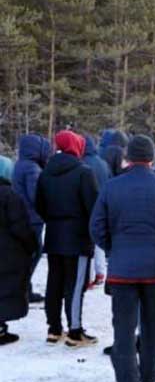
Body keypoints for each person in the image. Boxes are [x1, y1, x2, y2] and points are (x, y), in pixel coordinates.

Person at [90, 135, 155, 382]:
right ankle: (149, 374)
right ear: (151, 158)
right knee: (154, 323)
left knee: (123, 330)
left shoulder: (112, 187)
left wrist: (114, 249)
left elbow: (96, 227)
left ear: (128, 157)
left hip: (122, 271)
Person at [35, 130, 99, 347]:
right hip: (78, 237)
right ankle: (75, 331)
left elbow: (39, 205)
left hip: (53, 234)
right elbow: (93, 207)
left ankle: (54, 328)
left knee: (54, 282)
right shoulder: (83, 172)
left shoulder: (45, 172)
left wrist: (54, 221)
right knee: (76, 284)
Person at [0, 155, 39, 345]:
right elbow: (20, 226)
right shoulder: (10, 196)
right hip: (7, 251)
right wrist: (31, 245)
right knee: (5, 288)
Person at [12, 134, 50, 303]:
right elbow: (36, 196)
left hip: (22, 216)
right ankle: (24, 289)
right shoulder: (32, 169)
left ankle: (24, 288)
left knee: (27, 254)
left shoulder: (20, 165)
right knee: (33, 253)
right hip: (32, 218)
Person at [83, 135, 112, 287]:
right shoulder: (102, 163)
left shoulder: (82, 163)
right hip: (102, 204)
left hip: (87, 206)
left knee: (87, 241)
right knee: (99, 240)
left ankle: (88, 276)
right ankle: (101, 272)